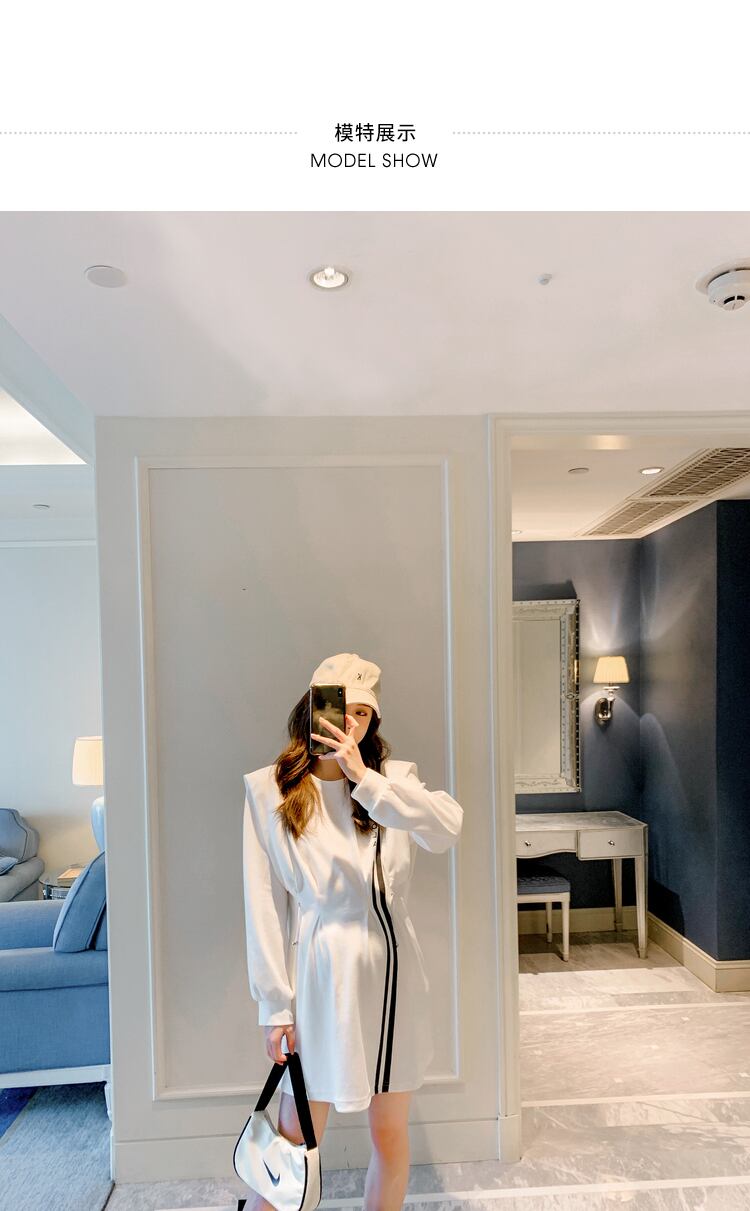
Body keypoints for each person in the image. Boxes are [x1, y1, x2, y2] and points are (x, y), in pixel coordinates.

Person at [242, 652, 464, 1211]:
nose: (351, 723)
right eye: (339, 708)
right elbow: (263, 904)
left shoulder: (394, 782)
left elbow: (447, 829)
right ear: (311, 709)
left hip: (392, 975)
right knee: (294, 1139)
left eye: (363, 713)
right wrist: (274, 1006)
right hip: (319, 974)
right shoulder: (270, 790)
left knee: (389, 1133)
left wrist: (364, 779)